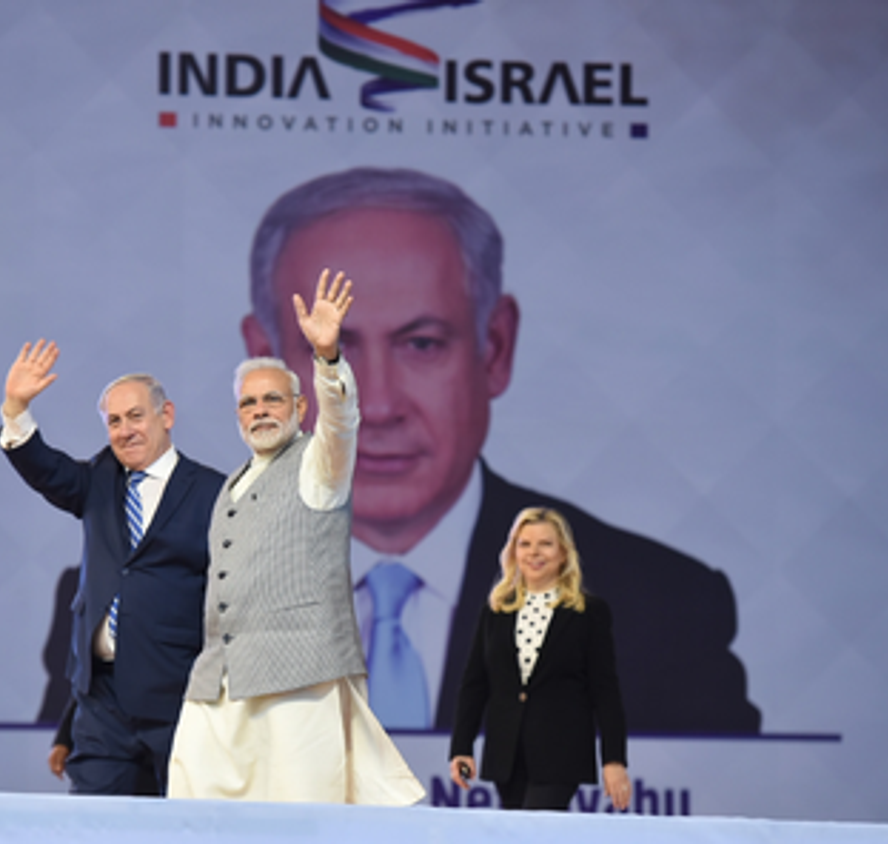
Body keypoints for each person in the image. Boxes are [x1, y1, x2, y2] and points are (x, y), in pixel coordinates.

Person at [240, 166, 761, 734]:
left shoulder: (655, 610)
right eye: (332, 352)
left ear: (495, 349)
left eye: (421, 344)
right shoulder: (197, 590)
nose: (381, 405)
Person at [167, 269, 425, 805]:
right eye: (248, 403)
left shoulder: (317, 463)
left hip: (300, 676)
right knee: (197, 806)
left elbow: (341, 423)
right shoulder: (232, 483)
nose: (260, 411)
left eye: (273, 400)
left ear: (300, 408)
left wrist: (327, 359)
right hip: (221, 678)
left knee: (301, 815)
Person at [0, 341, 223, 795]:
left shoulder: (213, 492)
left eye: (135, 416)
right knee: (94, 821)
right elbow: (46, 469)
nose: (125, 431)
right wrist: (16, 408)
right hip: (101, 702)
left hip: (179, 698)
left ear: (166, 415)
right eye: (114, 421)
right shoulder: (98, 479)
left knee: (183, 822)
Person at [449, 507, 631, 811]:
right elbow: (474, 685)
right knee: (517, 831)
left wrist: (614, 760)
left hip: (561, 754)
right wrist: (461, 747)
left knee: (536, 828)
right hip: (507, 754)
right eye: (525, 544)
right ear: (513, 552)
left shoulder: (588, 613)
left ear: (563, 553)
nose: (534, 552)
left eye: (545, 544)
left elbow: (605, 690)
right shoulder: (496, 610)